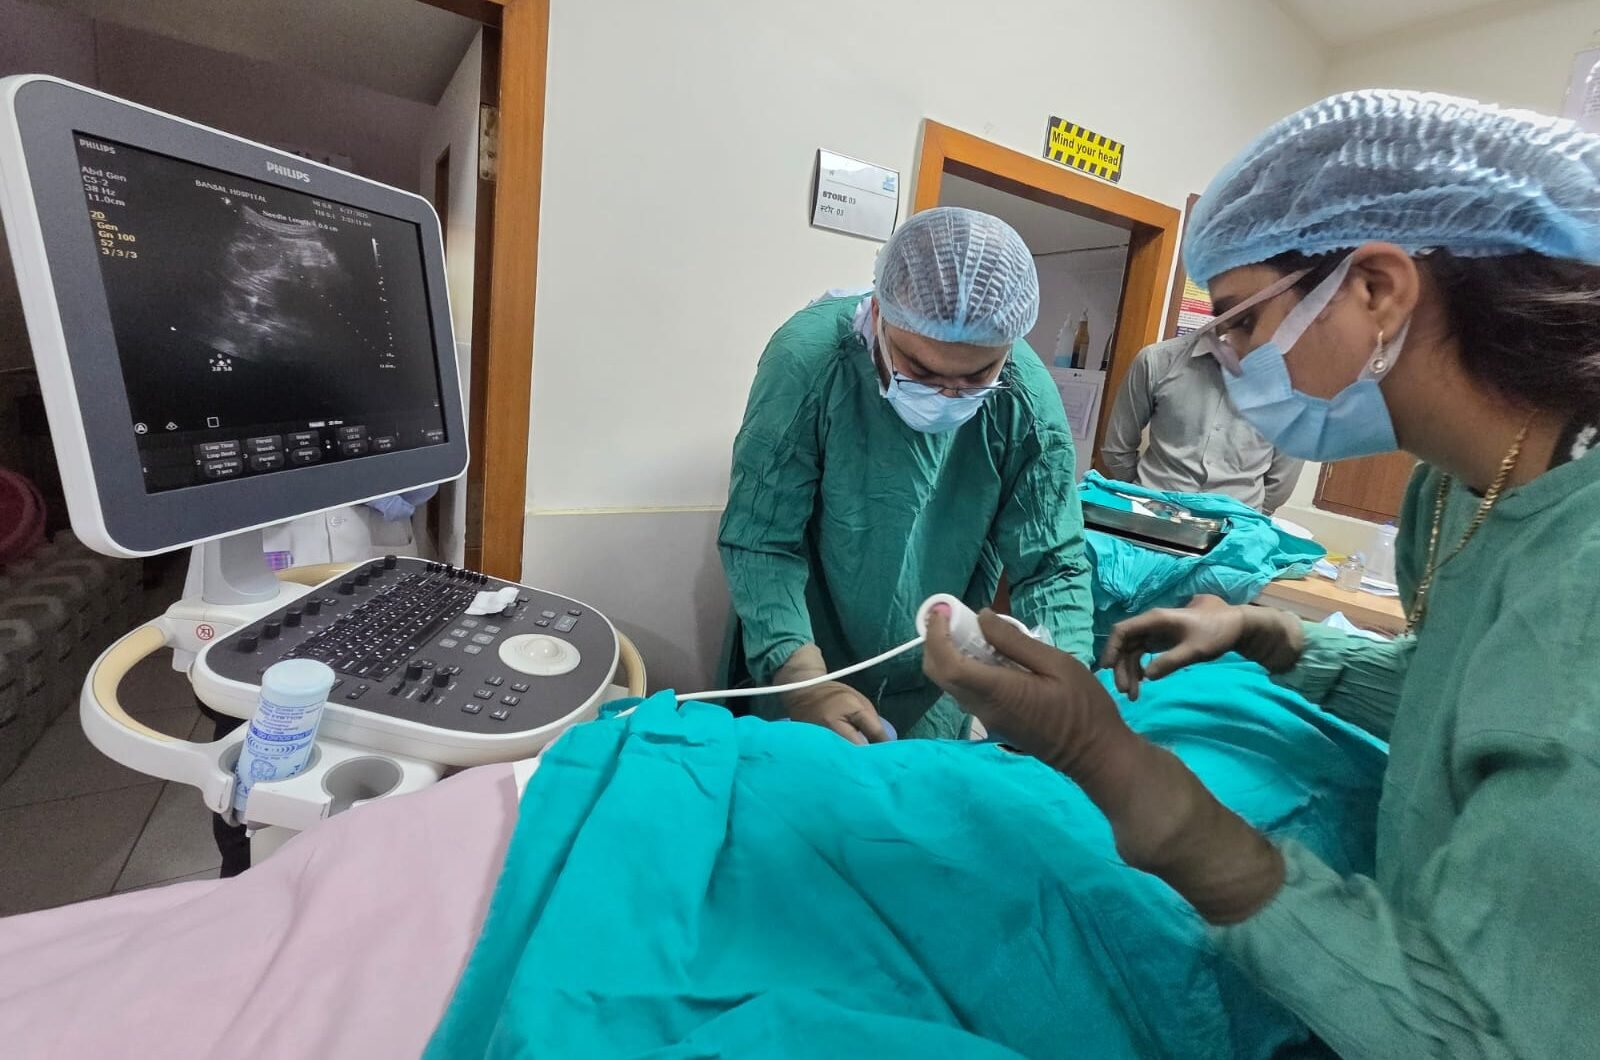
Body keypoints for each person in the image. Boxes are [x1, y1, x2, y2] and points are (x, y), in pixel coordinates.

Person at [921, 90, 1600, 1058]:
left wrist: (1115, 767)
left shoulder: (1583, 572)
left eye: (1240, 321)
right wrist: (1275, 641)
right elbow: (1461, 701)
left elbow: (1488, 1033)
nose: (1226, 357)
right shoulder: (1448, 498)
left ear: (1376, 288)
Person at [719, 207, 1093, 743]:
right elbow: (761, 538)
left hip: (931, 678)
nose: (946, 396)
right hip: (805, 642)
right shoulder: (809, 361)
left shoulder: (1025, 400)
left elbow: (1051, 565)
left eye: (975, 377)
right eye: (920, 370)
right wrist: (802, 680)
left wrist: (1063, 688)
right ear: (877, 315)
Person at [181, 486, 439, 876]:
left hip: (374, 583)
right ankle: (241, 891)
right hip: (256, 579)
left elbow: (425, 478)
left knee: (372, 778)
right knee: (251, 781)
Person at [1100, 335, 1304, 512]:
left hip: (1236, 532)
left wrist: (1248, 518)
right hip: (1149, 519)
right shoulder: (1157, 360)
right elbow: (1116, 450)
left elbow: (1281, 482)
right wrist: (1146, 496)